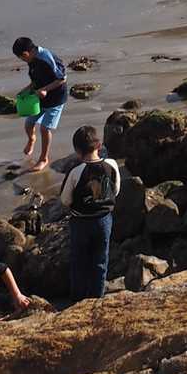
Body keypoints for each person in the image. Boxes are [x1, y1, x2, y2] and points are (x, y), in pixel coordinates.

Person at [60, 125, 120, 302]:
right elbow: (116, 190)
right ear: (99, 146)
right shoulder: (111, 165)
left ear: (77, 151)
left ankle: (77, 299)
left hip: (81, 221)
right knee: (100, 259)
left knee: (79, 261)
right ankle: (97, 296)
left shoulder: (76, 171)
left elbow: (65, 199)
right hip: (104, 219)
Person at [12, 36, 69, 172]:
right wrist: (25, 90)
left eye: (21, 58)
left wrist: (45, 89)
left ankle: (44, 159)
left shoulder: (45, 58)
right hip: (40, 98)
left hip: (56, 98)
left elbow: (62, 78)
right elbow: (35, 81)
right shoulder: (32, 59)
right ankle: (32, 139)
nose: (23, 61)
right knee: (29, 123)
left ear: (26, 54)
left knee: (44, 128)